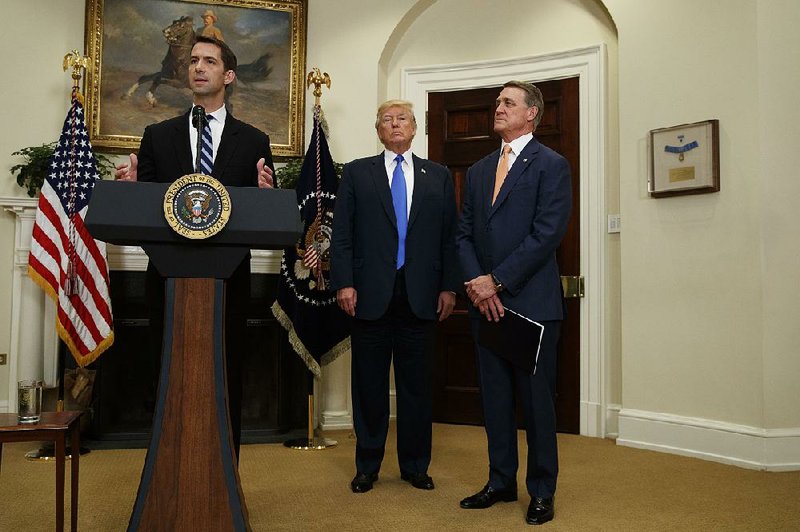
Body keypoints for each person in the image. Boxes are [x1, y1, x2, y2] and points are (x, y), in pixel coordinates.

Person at [115, 35, 275, 459]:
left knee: (225, 379)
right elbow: (145, 210)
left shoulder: (255, 140)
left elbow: (259, 215)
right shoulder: (157, 136)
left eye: (209, 61)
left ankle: (225, 483)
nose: (198, 67)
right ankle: (167, 478)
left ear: (229, 74)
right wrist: (132, 192)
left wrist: (264, 194)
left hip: (227, 282)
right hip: (168, 279)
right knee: (167, 377)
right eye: (193, 61)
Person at [456, 81, 572, 526]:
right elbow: (464, 233)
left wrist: (497, 281)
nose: (498, 107)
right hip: (486, 305)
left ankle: (541, 491)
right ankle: (501, 481)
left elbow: (547, 234)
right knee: (496, 399)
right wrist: (477, 284)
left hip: (531, 304)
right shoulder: (482, 167)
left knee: (536, 403)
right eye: (498, 102)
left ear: (532, 114)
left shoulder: (552, 165)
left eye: (508, 102)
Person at [330, 99, 459, 494]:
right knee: (368, 386)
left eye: (402, 118)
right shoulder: (356, 173)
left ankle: (415, 466)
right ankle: (367, 465)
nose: (395, 123)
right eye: (387, 119)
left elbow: (449, 238)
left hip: (421, 294)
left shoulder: (437, 175)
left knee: (416, 387)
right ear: (378, 130)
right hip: (368, 294)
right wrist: (344, 282)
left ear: (415, 127)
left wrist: (449, 286)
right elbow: (343, 236)